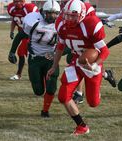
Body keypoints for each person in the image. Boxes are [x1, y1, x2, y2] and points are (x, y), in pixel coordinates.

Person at [47, 0, 109, 135]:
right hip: (76, 61)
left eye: (73, 16)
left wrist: (94, 64)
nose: (69, 19)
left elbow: (105, 51)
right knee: (63, 96)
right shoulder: (61, 25)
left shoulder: (91, 23)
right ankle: (81, 126)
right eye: (67, 15)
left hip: (91, 63)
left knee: (93, 103)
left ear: (81, 15)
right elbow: (60, 47)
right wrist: (54, 65)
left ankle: (103, 76)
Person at [8, 0, 61, 118]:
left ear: (58, 13)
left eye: (55, 13)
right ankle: (41, 79)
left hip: (51, 59)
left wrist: (57, 55)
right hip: (35, 58)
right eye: (49, 13)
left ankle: (45, 110)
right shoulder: (33, 21)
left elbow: (67, 45)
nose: (52, 16)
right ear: (43, 12)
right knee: (38, 91)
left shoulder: (61, 24)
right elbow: (21, 35)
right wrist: (12, 51)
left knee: (51, 87)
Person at [7, 0, 38, 80]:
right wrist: (12, 31)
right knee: (24, 54)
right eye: (16, 1)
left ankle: (20, 74)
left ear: (23, 1)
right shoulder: (12, 9)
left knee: (23, 52)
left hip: (31, 35)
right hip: (21, 34)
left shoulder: (29, 8)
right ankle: (20, 74)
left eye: (19, 1)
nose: (18, 3)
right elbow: (14, 20)